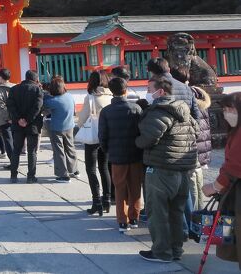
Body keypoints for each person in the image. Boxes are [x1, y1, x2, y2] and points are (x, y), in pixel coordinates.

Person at [135, 76, 198, 263]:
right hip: (183, 169)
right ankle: (176, 249)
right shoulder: (184, 110)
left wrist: (137, 141)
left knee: (158, 213)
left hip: (162, 168)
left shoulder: (159, 111)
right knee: (176, 212)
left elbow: (147, 138)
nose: (147, 92)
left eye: (149, 88)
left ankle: (162, 252)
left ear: (160, 91)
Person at [203, 92, 241, 269]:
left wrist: (214, 186)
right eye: (224, 109)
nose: (227, 113)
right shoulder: (235, 130)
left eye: (230, 109)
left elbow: (234, 166)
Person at [99, 77, 143, 230]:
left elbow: (102, 136)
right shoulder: (136, 108)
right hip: (135, 154)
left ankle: (122, 220)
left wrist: (108, 150)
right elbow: (141, 131)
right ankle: (134, 217)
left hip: (117, 156)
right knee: (135, 188)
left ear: (111, 91)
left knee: (119, 189)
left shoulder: (106, 111)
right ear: (126, 90)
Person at [77, 70, 113, 216]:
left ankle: (96, 201)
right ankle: (107, 200)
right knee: (104, 168)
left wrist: (81, 127)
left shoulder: (91, 97)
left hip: (93, 137)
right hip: (108, 136)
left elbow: (82, 119)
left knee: (91, 169)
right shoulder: (111, 95)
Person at [6, 70, 44, 184]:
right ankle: (31, 176)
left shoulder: (14, 89)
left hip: (18, 125)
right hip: (32, 125)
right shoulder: (38, 90)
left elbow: (10, 106)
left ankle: (13, 175)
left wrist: (19, 119)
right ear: (35, 79)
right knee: (32, 151)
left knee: (16, 150)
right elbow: (37, 107)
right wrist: (27, 120)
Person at [43, 76, 78, 183]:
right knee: (70, 148)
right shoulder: (69, 96)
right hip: (70, 126)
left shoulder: (53, 101)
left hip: (57, 128)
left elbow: (44, 103)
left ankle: (63, 175)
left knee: (59, 151)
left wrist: (44, 93)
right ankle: (74, 170)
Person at [0, 68, 15, 167]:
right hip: (17, 118)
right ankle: (16, 161)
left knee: (8, 140)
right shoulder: (15, 87)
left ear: (0, 77)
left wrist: (8, 117)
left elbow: (1, 106)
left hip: (5, 119)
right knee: (16, 140)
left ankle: (13, 163)